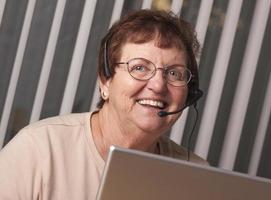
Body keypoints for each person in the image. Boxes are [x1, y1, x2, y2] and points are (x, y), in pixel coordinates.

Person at [0, 9, 207, 199]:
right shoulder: (38, 149)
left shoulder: (198, 176)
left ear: (189, 93)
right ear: (105, 81)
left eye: (174, 73)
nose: (158, 85)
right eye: (140, 68)